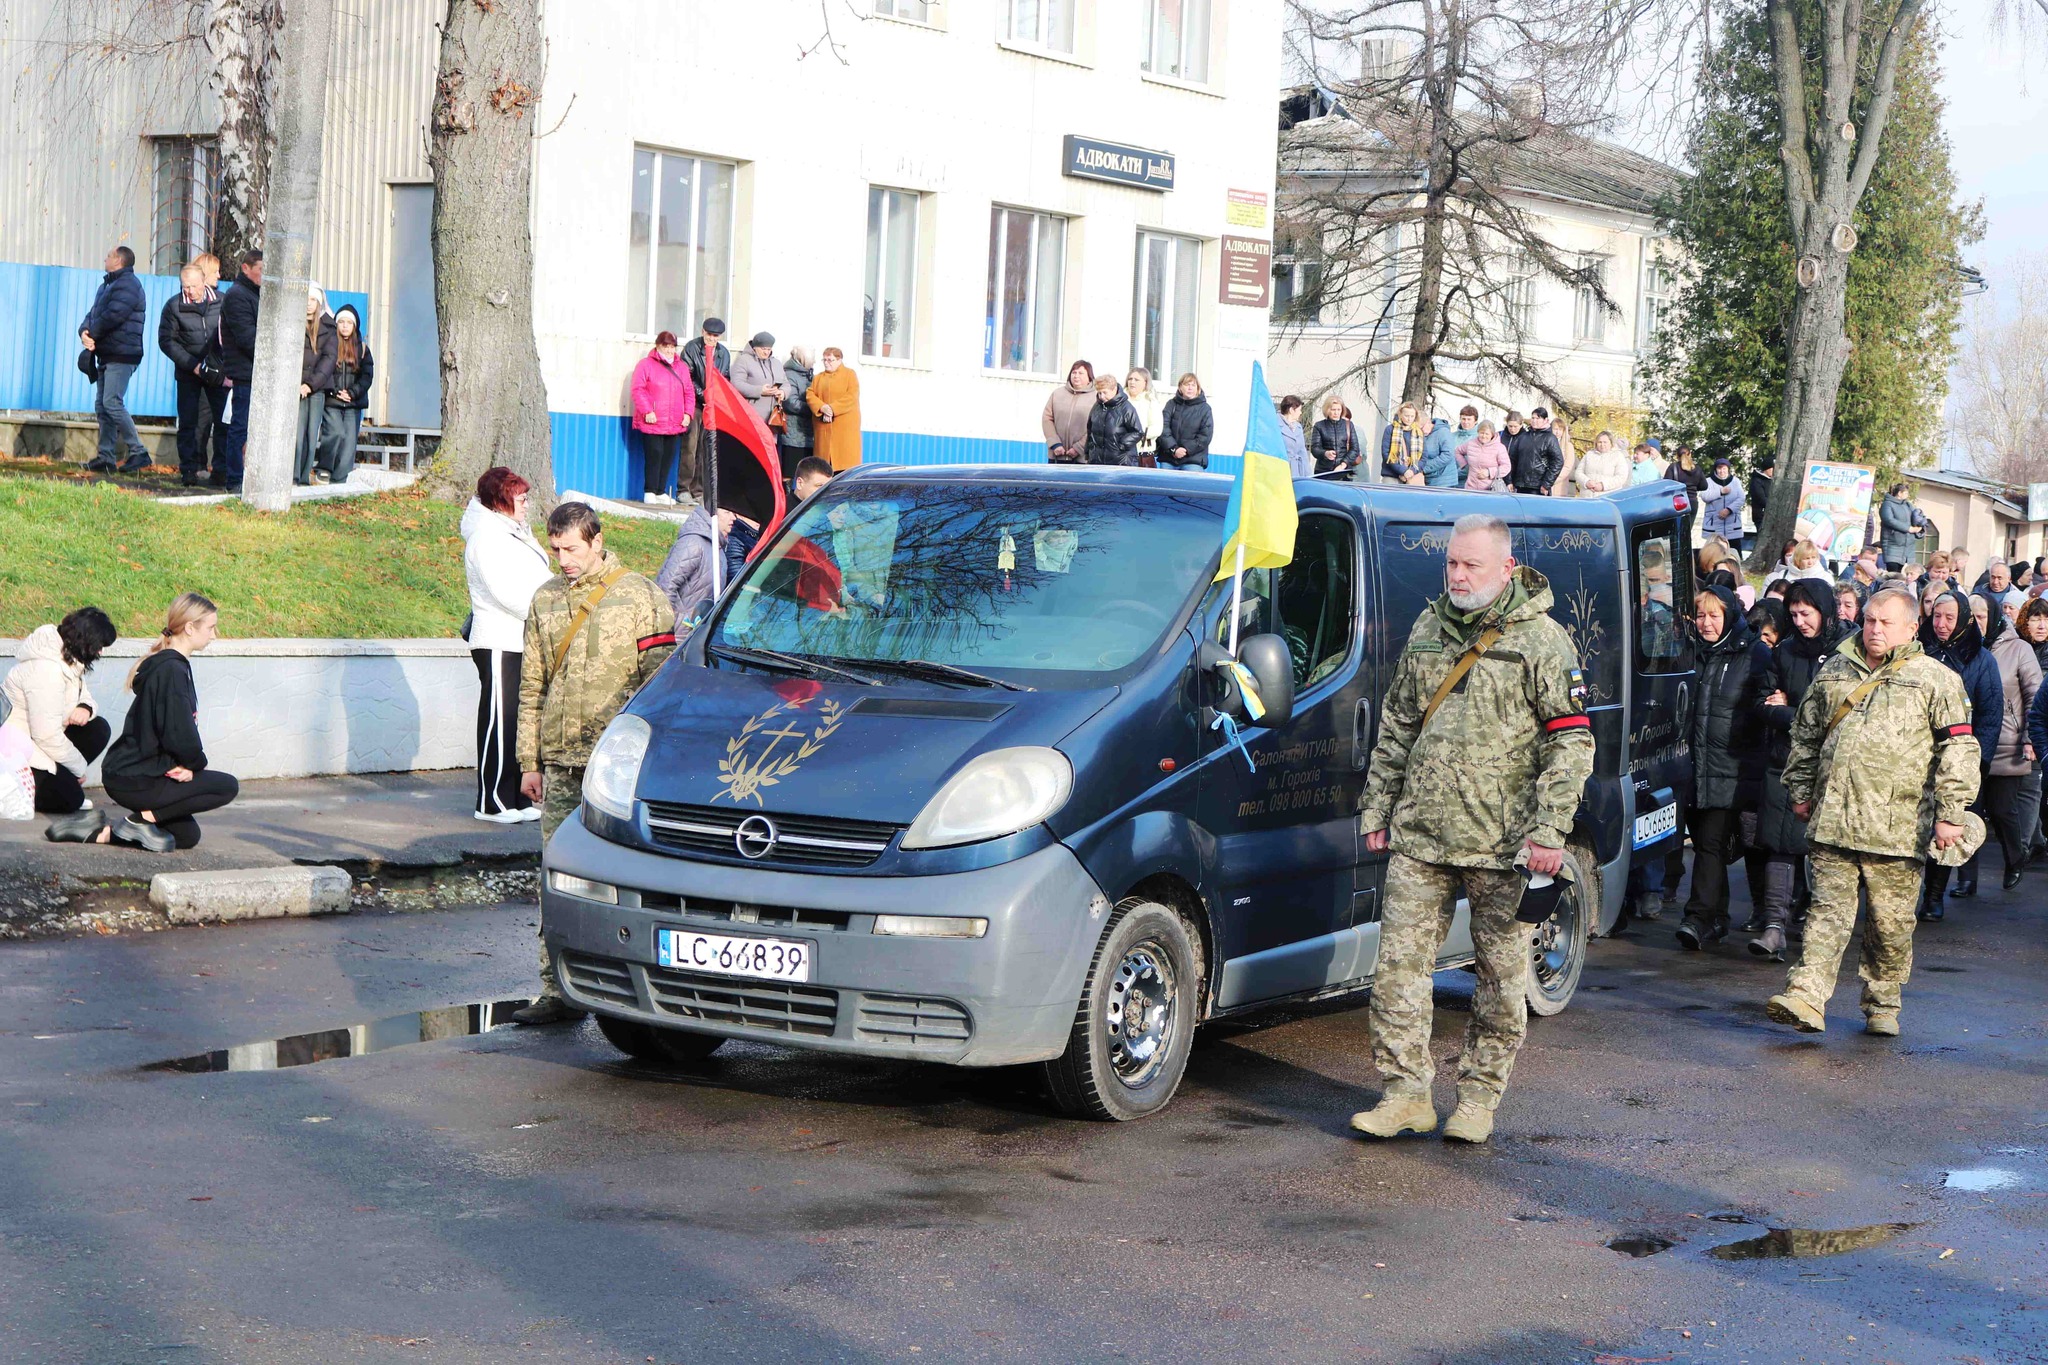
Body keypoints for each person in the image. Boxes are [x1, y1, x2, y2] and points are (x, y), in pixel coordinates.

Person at [1350, 514, 1594, 1144]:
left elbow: (1570, 745)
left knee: (1499, 979)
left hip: (1503, 844)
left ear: (1506, 568)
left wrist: (1549, 830)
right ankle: (1405, 1095)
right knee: (1398, 971)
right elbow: (1400, 723)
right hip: (1422, 835)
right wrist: (1378, 809)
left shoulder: (1543, 643)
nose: (1458, 576)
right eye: (1451, 564)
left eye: (1471, 566)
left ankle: (1479, 1100)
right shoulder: (1429, 627)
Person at [1768, 586, 1978, 1036]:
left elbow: (1959, 748)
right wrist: (1801, 790)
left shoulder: (1935, 679)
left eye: (1885, 622)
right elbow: (1805, 737)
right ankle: (1806, 996)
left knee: (1890, 925)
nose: (1874, 630)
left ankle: (1883, 1001)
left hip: (1897, 828)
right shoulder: (1834, 672)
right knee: (1826, 915)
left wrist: (1951, 813)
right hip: (1835, 822)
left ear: (1910, 627)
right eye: (1869, 621)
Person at [515, 503, 677, 1024]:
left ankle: (632, 989)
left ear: (597, 540)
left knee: (625, 881)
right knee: (555, 876)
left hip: (617, 768)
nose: (562, 560)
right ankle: (555, 989)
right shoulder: (544, 600)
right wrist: (528, 761)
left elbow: (660, 689)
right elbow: (532, 684)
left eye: (572, 549)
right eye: (555, 549)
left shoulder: (642, 597)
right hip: (561, 763)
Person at [92, 593, 239, 852]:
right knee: (226, 786)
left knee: (185, 836)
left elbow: (172, 728)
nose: (214, 635)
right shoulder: (171, 670)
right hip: (135, 776)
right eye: (211, 627)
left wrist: (185, 764)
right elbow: (177, 730)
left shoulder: (174, 666)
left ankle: (105, 833)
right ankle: (140, 820)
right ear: (191, 627)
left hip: (145, 772)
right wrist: (195, 765)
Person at [1749, 579, 1847, 959]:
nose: (1800, 621)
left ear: (1824, 611)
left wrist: (1791, 709)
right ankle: (1774, 926)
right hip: (1785, 760)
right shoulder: (1784, 651)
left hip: (1832, 765)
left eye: (1806, 613)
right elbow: (1762, 704)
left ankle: (1817, 926)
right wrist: (1796, 713)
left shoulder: (1845, 650)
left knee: (1824, 851)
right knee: (1779, 844)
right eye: (1793, 614)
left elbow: (1840, 716)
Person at [1676, 586, 1771, 950]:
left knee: (1711, 844)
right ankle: (1717, 918)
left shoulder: (1753, 653)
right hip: (1693, 765)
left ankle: (1697, 917)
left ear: (1730, 615)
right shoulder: (1691, 652)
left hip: (1730, 766)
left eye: (1714, 615)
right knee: (1704, 843)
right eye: (1701, 615)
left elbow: (1764, 703)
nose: (1706, 623)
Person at [461, 467, 553, 824]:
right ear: (502, 500)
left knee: (514, 721)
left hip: (518, 638)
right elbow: (507, 593)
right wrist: (547, 607)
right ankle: (491, 802)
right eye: (522, 498)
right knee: (498, 720)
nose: (528, 505)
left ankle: (514, 797)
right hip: (498, 639)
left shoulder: (510, 532)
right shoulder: (486, 537)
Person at [1918, 589, 2003, 915]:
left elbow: (1990, 716)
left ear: (1964, 619)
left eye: (1949, 618)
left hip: (1957, 757)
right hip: (1917, 754)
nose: (1941, 624)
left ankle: (1934, 896)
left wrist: (1978, 763)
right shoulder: (1918, 651)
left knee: (1947, 826)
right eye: (1937, 616)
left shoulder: (1981, 660)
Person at [4, 608, 118, 829]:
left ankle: (63, 779)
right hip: (20, 753)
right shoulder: (46, 671)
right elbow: (45, 735)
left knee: (98, 728)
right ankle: (41, 787)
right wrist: (79, 769)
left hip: (42, 741)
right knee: (71, 799)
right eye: (100, 646)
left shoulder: (68, 656)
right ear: (86, 641)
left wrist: (85, 707)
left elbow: (82, 694)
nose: (101, 653)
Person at [1969, 592, 2038, 893]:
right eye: (1971, 617)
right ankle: (1965, 879)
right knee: (1967, 811)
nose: (1976, 623)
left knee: (2001, 809)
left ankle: (2015, 858)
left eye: (1981, 617)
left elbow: (2036, 695)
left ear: (1993, 616)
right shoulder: (1965, 648)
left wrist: (2030, 738)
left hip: (2007, 742)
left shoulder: (2019, 649)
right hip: (1969, 744)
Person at [79, 245, 151, 475]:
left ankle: (138, 451)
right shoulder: (107, 285)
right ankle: (106, 457)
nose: (105, 258)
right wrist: (84, 332)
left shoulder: (129, 285)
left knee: (111, 402)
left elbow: (113, 316)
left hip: (123, 353)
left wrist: (93, 334)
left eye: (109, 255)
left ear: (119, 261)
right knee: (102, 406)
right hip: (108, 353)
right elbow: (94, 314)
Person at [157, 264, 224, 487]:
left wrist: (222, 365)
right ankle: (189, 470)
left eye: (193, 286)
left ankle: (221, 470)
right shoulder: (174, 306)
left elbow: (230, 335)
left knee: (222, 422)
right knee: (189, 422)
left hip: (218, 374)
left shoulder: (221, 302)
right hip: (189, 374)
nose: (190, 291)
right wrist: (193, 366)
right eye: (185, 287)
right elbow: (167, 341)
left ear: (204, 282)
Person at [214, 249, 262, 491]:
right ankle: (235, 480)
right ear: (246, 268)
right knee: (240, 428)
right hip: (246, 373)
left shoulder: (254, 294)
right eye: (261, 269)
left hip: (256, 372)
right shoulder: (237, 296)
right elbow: (247, 338)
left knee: (252, 429)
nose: (265, 274)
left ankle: (248, 478)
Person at [631, 331, 695, 504]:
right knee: (654, 454)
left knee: (668, 456)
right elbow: (638, 389)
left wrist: (688, 414)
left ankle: (660, 491)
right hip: (653, 420)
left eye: (672, 346)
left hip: (674, 421)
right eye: (665, 346)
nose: (669, 350)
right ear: (658, 346)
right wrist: (647, 411)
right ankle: (649, 491)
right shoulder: (645, 365)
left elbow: (689, 392)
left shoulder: (681, 367)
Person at [319, 305, 374, 484]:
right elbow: (324, 370)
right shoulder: (328, 344)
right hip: (332, 401)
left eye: (348, 323)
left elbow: (367, 376)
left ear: (355, 325)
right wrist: (335, 391)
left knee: (349, 442)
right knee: (334, 433)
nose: (344, 326)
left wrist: (352, 393)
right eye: (341, 322)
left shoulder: (363, 349)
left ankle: (340, 480)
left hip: (353, 403)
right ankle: (325, 468)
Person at [656, 503, 738, 623]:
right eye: (727, 512)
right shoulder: (693, 543)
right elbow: (666, 586)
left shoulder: (718, 549)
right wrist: (665, 628)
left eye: (734, 513)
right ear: (711, 514)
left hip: (696, 633)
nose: (733, 518)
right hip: (678, 635)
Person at [679, 318, 732, 498]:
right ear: (703, 332)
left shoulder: (724, 354)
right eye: (709, 334)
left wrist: (716, 398)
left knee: (706, 448)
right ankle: (683, 488)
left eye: (715, 336)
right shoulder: (691, 348)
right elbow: (686, 377)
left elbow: (724, 378)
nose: (711, 339)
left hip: (712, 406)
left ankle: (698, 490)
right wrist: (703, 394)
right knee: (690, 447)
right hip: (694, 404)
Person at [294, 287, 337, 486]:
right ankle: (292, 476)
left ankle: (304, 478)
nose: (309, 303)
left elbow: (328, 361)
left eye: (313, 299)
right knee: (296, 436)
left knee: (312, 435)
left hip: (316, 389)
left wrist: (310, 385)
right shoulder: (293, 323)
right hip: (295, 388)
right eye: (306, 298)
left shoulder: (329, 327)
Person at [806, 347, 863, 471]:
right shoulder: (818, 378)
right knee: (823, 469)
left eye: (830, 360)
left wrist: (831, 409)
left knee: (845, 469)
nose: (826, 363)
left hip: (844, 432)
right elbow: (810, 395)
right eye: (824, 360)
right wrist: (822, 407)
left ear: (839, 360)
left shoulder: (850, 374)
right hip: (824, 431)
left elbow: (851, 396)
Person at [1041, 361, 1096, 463]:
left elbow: (1096, 426)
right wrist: (1055, 444)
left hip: (1082, 459)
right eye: (1074, 372)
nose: (1076, 376)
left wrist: (1079, 447)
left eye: (1081, 373)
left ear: (1089, 377)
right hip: (1057, 456)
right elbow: (1047, 419)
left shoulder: (1096, 398)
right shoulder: (1057, 394)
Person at [1084, 374, 1144, 466]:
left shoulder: (1126, 408)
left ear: (1114, 389)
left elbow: (1137, 432)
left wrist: (1120, 446)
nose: (1101, 396)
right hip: (1097, 460)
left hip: (1121, 461)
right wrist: (1088, 453)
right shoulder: (1097, 407)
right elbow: (1090, 431)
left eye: (1105, 392)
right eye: (1099, 393)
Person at [1159, 373, 1214, 471]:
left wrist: (1185, 450)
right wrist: (1174, 449)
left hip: (1193, 461)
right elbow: (1163, 428)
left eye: (1193, 385)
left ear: (1198, 389)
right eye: (1186, 384)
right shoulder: (1171, 404)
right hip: (1169, 460)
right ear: (1180, 387)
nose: (1190, 388)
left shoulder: (1205, 409)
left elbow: (1205, 436)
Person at [778, 345, 817, 482]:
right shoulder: (789, 374)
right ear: (802, 359)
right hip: (793, 434)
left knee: (807, 473)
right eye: (811, 360)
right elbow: (790, 403)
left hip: (808, 435)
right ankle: (787, 501)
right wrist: (814, 408)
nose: (814, 363)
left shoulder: (809, 374)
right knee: (789, 473)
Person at [1506, 409, 1562, 496]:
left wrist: (1546, 483)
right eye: (1533, 418)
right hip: (1520, 485)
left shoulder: (1550, 438)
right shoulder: (1523, 437)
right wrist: (1509, 481)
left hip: (1538, 487)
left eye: (1538, 418)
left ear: (1545, 420)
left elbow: (1558, 462)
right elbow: (1512, 460)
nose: (1534, 421)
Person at [1310, 397, 1362, 480]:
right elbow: (1314, 449)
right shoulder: (1319, 426)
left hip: (1344, 472)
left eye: (1338, 409)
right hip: (1324, 471)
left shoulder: (1348, 425)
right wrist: (1325, 453)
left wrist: (1343, 464)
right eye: (1333, 409)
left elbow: (1355, 449)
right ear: (1327, 410)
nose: (1336, 413)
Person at [1878, 483, 1924, 571]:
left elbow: (1917, 516)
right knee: (1893, 573)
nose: (1908, 495)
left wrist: (1920, 526)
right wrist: (1908, 529)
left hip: (1907, 548)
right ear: (1899, 493)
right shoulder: (1887, 504)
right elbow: (1889, 520)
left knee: (1906, 575)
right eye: (1906, 493)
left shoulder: (1908, 505)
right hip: (1892, 545)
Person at [1124, 368, 1165, 467]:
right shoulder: (1121, 400)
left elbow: (1157, 428)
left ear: (1145, 383)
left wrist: (1135, 435)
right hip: (1122, 453)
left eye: (1136, 380)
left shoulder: (1151, 402)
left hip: (1143, 455)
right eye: (1130, 379)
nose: (1132, 382)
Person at [1700, 458, 1746, 546]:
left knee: (1734, 553)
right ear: (1715, 469)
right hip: (1714, 525)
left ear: (1728, 469)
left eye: (1724, 468)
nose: (1722, 471)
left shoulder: (1735, 481)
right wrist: (1720, 492)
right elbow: (1704, 496)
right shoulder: (1708, 481)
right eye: (1719, 468)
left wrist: (1729, 510)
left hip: (1732, 525)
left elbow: (1741, 498)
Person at [1379, 402, 1426, 484]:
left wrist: (1412, 471)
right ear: (1400, 414)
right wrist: (1403, 471)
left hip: (1412, 476)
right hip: (1392, 475)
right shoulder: (1390, 429)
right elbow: (1386, 454)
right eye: (1406, 416)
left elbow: (1423, 457)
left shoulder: (1419, 432)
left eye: (1412, 416)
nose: (1409, 419)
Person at [1420, 409, 1469, 489]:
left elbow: (1448, 455)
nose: (1421, 431)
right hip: (1428, 479)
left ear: (1428, 422)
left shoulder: (1443, 432)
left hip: (1444, 481)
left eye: (1422, 427)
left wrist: (1424, 468)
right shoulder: (1423, 434)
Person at [1571, 430, 1628, 496]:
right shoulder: (1589, 454)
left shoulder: (1618, 456)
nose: (1602, 445)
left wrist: (1603, 485)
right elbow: (1578, 472)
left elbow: (1621, 477)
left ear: (1611, 443)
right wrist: (1586, 482)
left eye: (1605, 442)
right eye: (1600, 442)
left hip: (1607, 497)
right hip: (1587, 497)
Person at [1458, 420, 1511, 492]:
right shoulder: (1471, 444)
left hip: (1490, 490)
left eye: (1487, 434)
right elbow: (1458, 451)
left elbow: (1506, 466)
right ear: (1478, 432)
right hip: (1470, 488)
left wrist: (1489, 472)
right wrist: (1464, 465)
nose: (1484, 436)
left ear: (1492, 434)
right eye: (1481, 433)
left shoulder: (1499, 448)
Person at [1277, 395, 1314, 479]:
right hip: (1281, 470)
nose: (1301, 413)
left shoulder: (1298, 427)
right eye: (1299, 410)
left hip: (1297, 471)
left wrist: (1309, 476)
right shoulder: (1275, 425)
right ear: (1291, 410)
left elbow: (1302, 452)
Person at [1746, 460, 1775, 554]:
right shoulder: (1757, 481)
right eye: (1772, 468)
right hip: (1761, 514)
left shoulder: (1772, 480)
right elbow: (1761, 498)